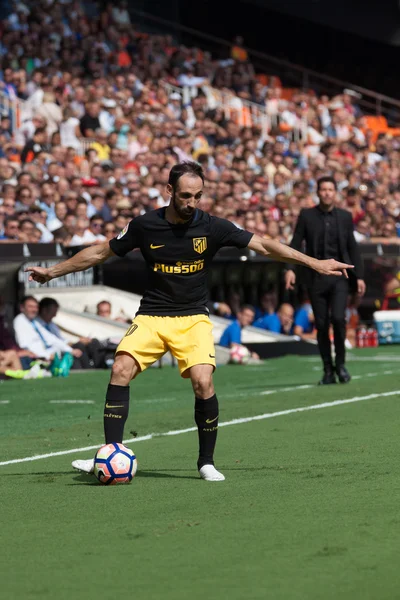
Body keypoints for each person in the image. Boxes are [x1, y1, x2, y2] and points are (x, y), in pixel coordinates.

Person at [26, 162, 353, 482]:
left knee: (203, 382)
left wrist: (314, 263)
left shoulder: (212, 226)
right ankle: (110, 451)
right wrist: (51, 272)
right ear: (169, 191)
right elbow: (99, 253)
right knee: (120, 369)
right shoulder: (144, 225)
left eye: (197, 196)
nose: (191, 203)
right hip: (152, 315)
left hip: (193, 317)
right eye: (185, 196)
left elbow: (265, 245)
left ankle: (206, 462)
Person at [285, 176, 366, 385]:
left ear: (335, 192)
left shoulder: (345, 217)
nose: (327, 193)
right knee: (321, 324)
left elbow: (352, 248)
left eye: (331, 189)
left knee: (339, 319)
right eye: (323, 189)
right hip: (316, 277)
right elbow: (295, 243)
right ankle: (328, 370)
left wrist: (360, 277)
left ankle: (341, 365)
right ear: (318, 192)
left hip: (340, 276)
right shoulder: (307, 215)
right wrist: (290, 269)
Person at [13, 296, 81, 362]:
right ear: (22, 308)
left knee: (76, 354)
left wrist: (70, 350)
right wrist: (47, 355)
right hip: (36, 357)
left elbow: (51, 338)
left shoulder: (33, 322)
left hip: (48, 353)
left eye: (36, 307)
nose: (34, 310)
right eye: (30, 307)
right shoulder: (20, 321)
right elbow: (26, 346)